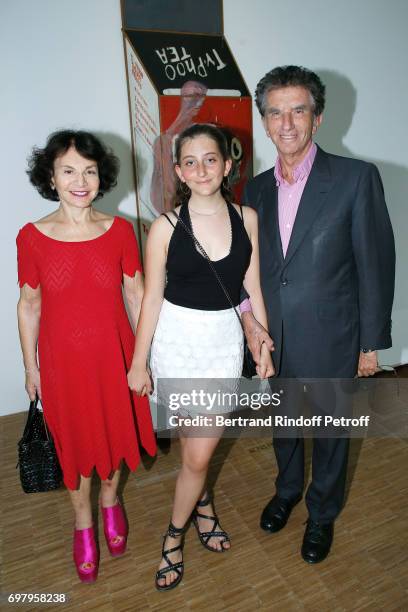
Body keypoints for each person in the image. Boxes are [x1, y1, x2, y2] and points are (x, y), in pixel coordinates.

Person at [241, 66, 395, 564]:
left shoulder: (355, 179)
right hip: (275, 335)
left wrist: (370, 344)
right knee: (284, 422)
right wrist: (251, 325)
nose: (287, 123)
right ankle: (287, 491)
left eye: (298, 110)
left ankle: (322, 514)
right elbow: (251, 267)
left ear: (318, 117)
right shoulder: (255, 189)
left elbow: (375, 265)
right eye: (275, 112)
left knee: (330, 429)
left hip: (334, 334)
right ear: (264, 122)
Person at [127, 123, 274, 591]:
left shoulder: (247, 218)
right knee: (195, 447)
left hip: (221, 343)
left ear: (227, 165)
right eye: (189, 161)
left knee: (197, 452)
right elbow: (152, 299)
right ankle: (192, 518)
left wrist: (261, 341)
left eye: (210, 159)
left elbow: (252, 287)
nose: (201, 169)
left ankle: (181, 526)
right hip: (177, 342)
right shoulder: (164, 228)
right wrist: (138, 360)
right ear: (178, 172)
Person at [17, 130, 156, 583]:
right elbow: (29, 304)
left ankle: (111, 501)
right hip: (63, 365)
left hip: (115, 357)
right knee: (73, 444)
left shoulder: (119, 231)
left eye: (90, 171)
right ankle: (82, 525)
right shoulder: (32, 237)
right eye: (69, 170)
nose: (81, 180)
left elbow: (136, 296)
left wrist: (142, 360)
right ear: (51, 178)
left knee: (114, 439)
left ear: (102, 177)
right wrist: (30, 366)